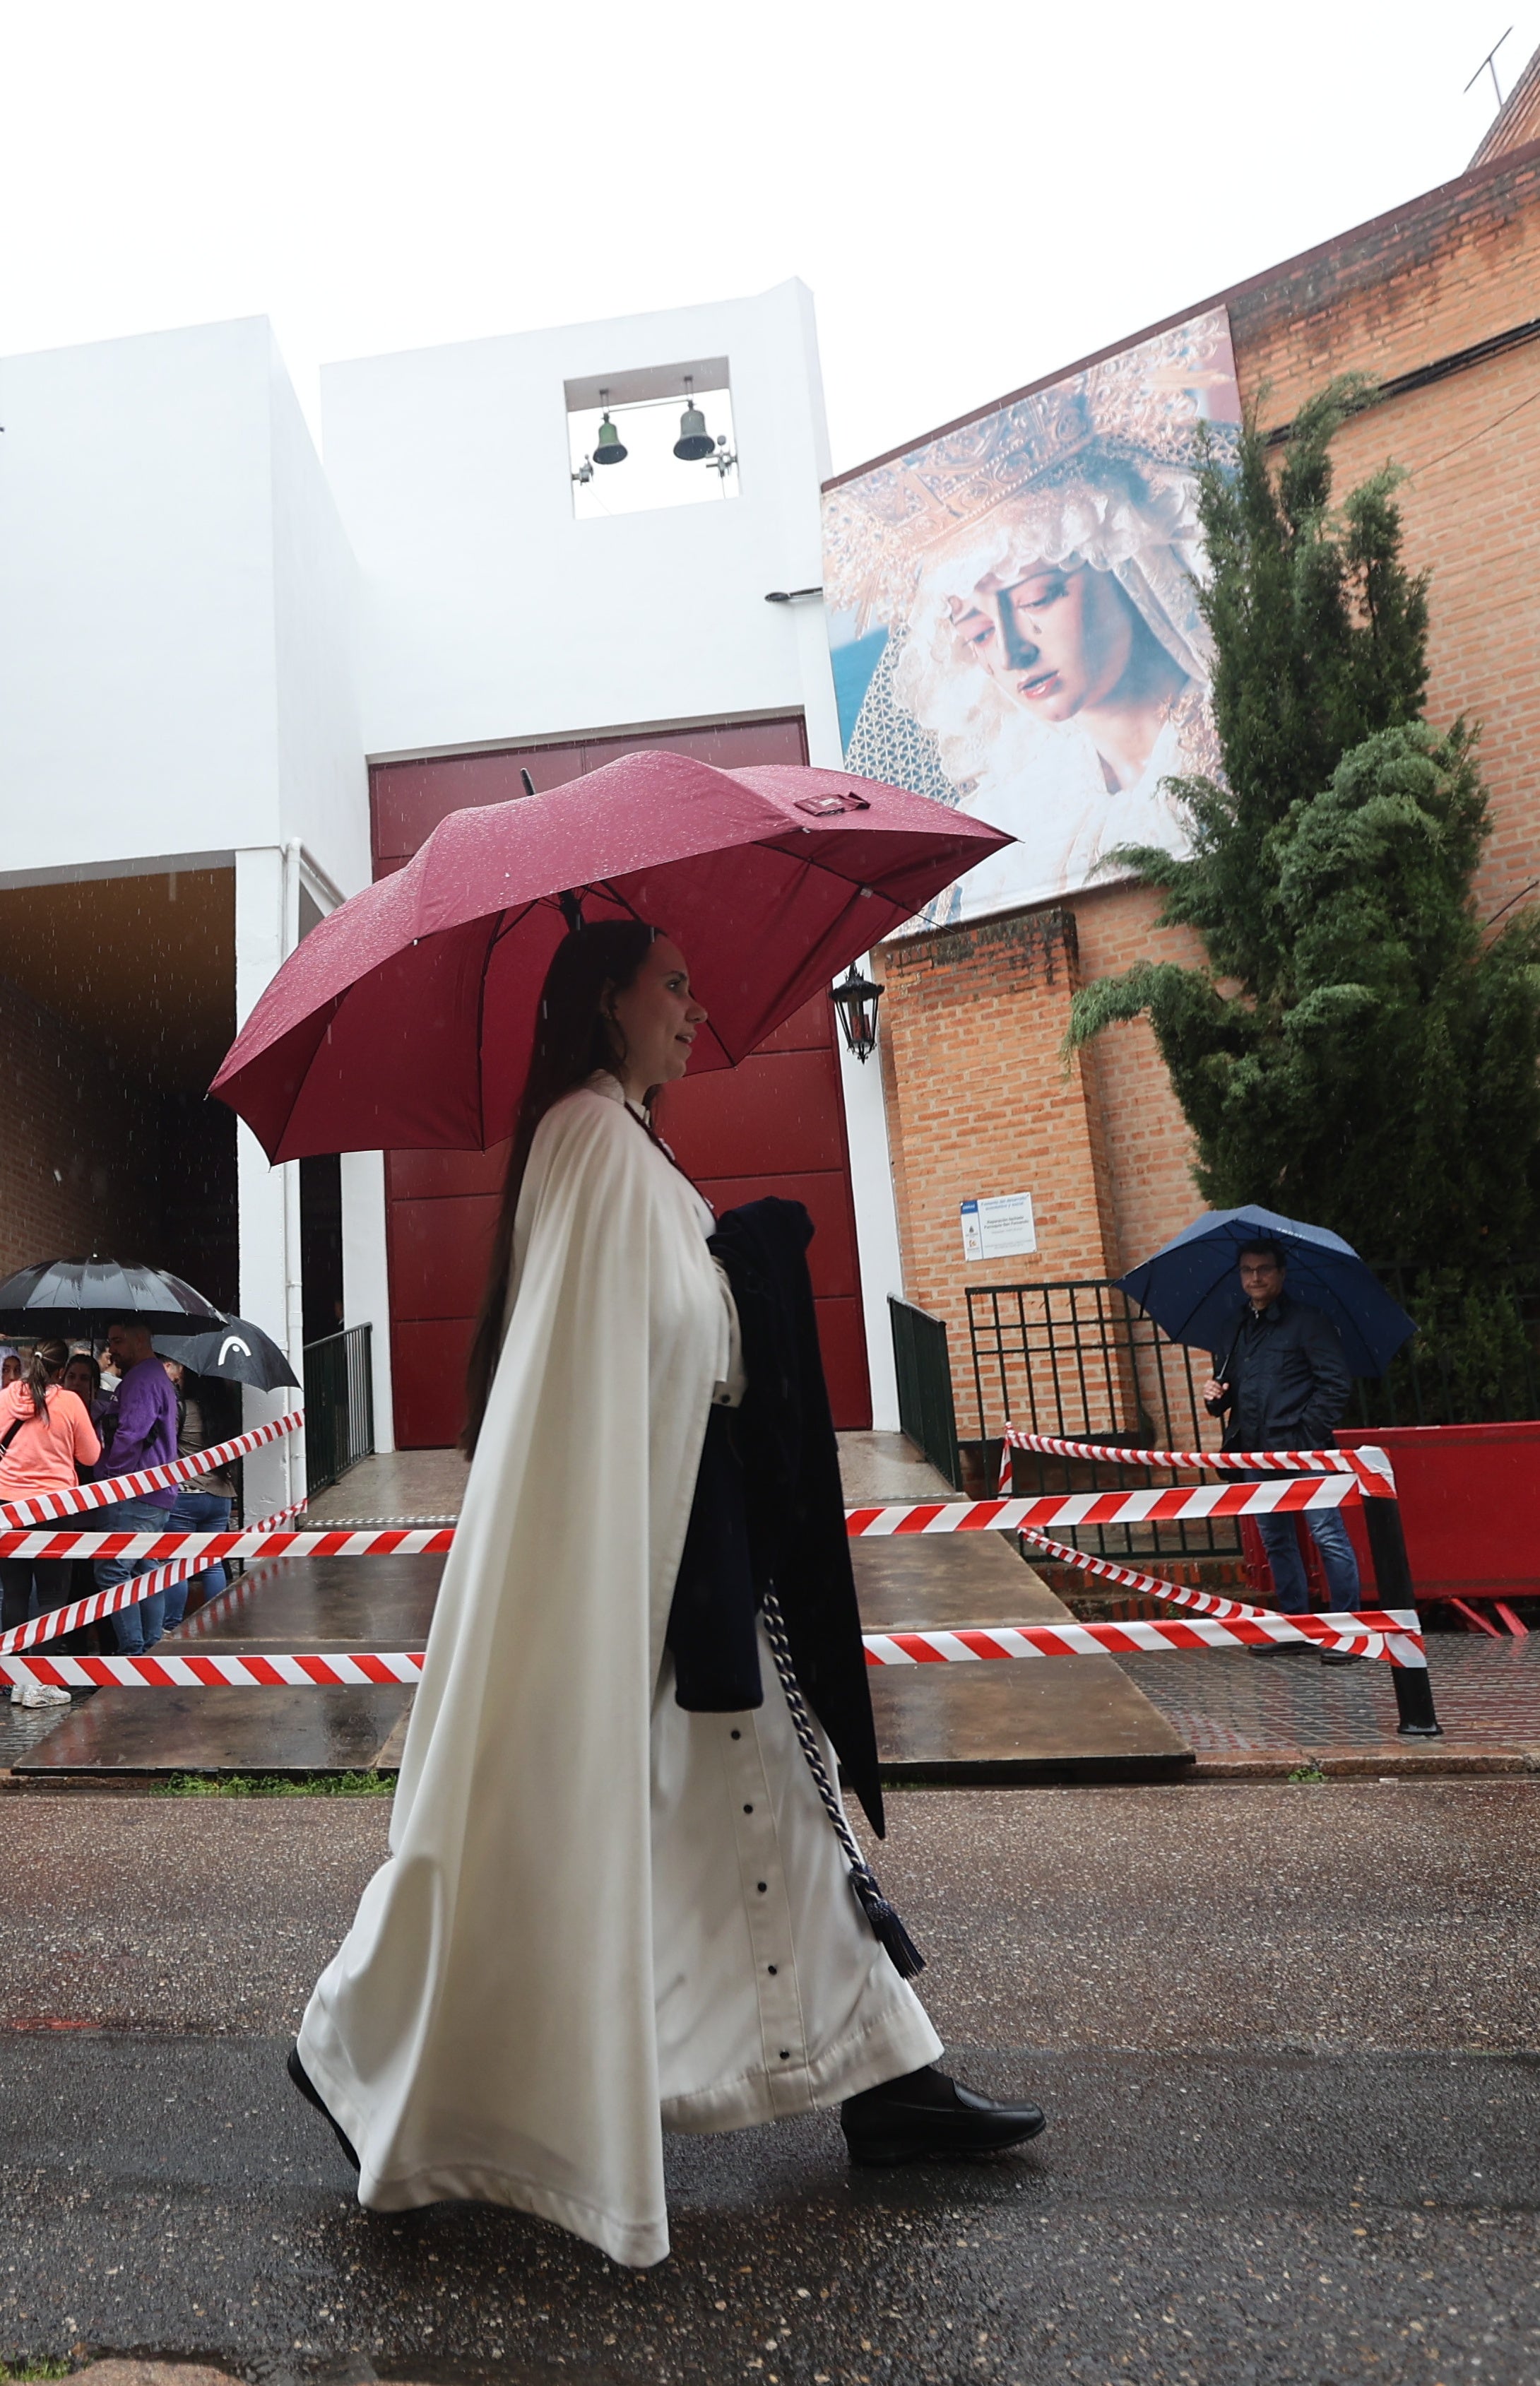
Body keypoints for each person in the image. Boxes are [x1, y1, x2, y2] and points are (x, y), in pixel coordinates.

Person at [288, 921, 1043, 2266]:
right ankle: (363, 2039)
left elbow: (673, 1338)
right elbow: (649, 1358)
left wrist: (730, 1267)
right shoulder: (589, 1139)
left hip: (690, 1551)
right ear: (607, 1002)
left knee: (778, 1823)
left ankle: (889, 2080)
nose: (696, 1007)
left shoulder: (627, 1143)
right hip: (646, 1563)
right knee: (583, 1825)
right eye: (676, 985)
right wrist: (739, 1281)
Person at [1202, 1241, 1363, 1662]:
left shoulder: (1308, 1322)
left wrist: (1304, 1435)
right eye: (1246, 1270)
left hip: (1305, 1454)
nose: (1255, 1277)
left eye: (1263, 1269)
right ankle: (1296, 1626)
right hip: (1256, 1455)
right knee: (1276, 1541)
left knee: (1328, 1536)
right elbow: (1228, 1392)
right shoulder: (1234, 1327)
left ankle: (1347, 1631)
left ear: (1281, 1273)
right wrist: (1214, 1396)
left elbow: (1335, 1384)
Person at [0, 1339, 101, 1708]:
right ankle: (39, 1683)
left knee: (13, 1593)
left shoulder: (9, 1395)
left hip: (7, 1507)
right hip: (54, 1508)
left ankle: (11, 1679)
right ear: (61, 1371)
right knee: (53, 1594)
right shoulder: (70, 1402)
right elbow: (91, 1455)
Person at [89, 1318, 180, 1655]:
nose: (111, 1351)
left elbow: (132, 1433)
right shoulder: (155, 1376)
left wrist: (114, 1476)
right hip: (154, 1491)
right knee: (145, 1570)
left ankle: (134, 1652)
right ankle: (149, 1648)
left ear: (140, 1339)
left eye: (117, 1341)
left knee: (112, 1571)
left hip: (133, 1491)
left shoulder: (141, 1379)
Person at [159, 1359, 236, 1626]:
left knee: (177, 1566)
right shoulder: (225, 1414)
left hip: (186, 1495)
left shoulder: (182, 1410)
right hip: (220, 1495)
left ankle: (171, 1626)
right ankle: (218, 1624)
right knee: (212, 1564)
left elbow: (166, 1450)